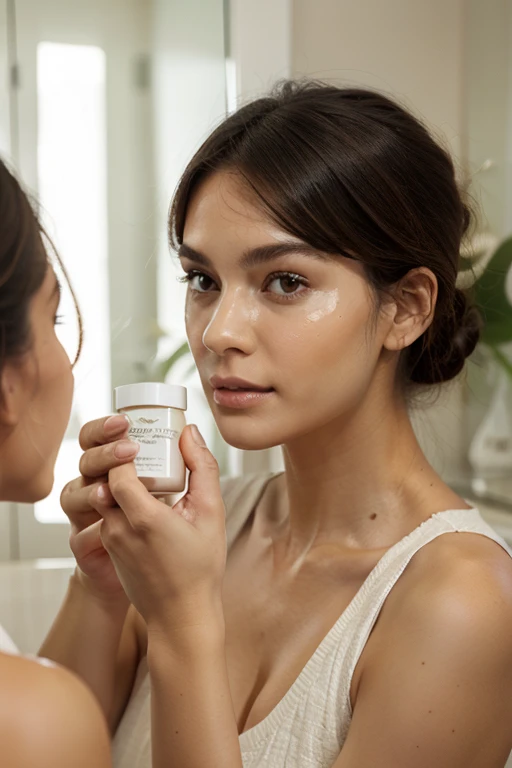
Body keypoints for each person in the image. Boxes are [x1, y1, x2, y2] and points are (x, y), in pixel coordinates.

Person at [46, 81, 512, 767]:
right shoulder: (202, 527)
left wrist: (182, 626)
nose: (220, 332)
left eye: (285, 282)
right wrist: (100, 585)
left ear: (407, 308)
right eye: (203, 280)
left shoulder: (463, 604)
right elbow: (37, 747)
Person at [0, 160, 112, 767]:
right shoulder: (31, 720)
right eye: (54, 318)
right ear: (7, 383)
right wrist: (188, 626)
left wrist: (100, 592)